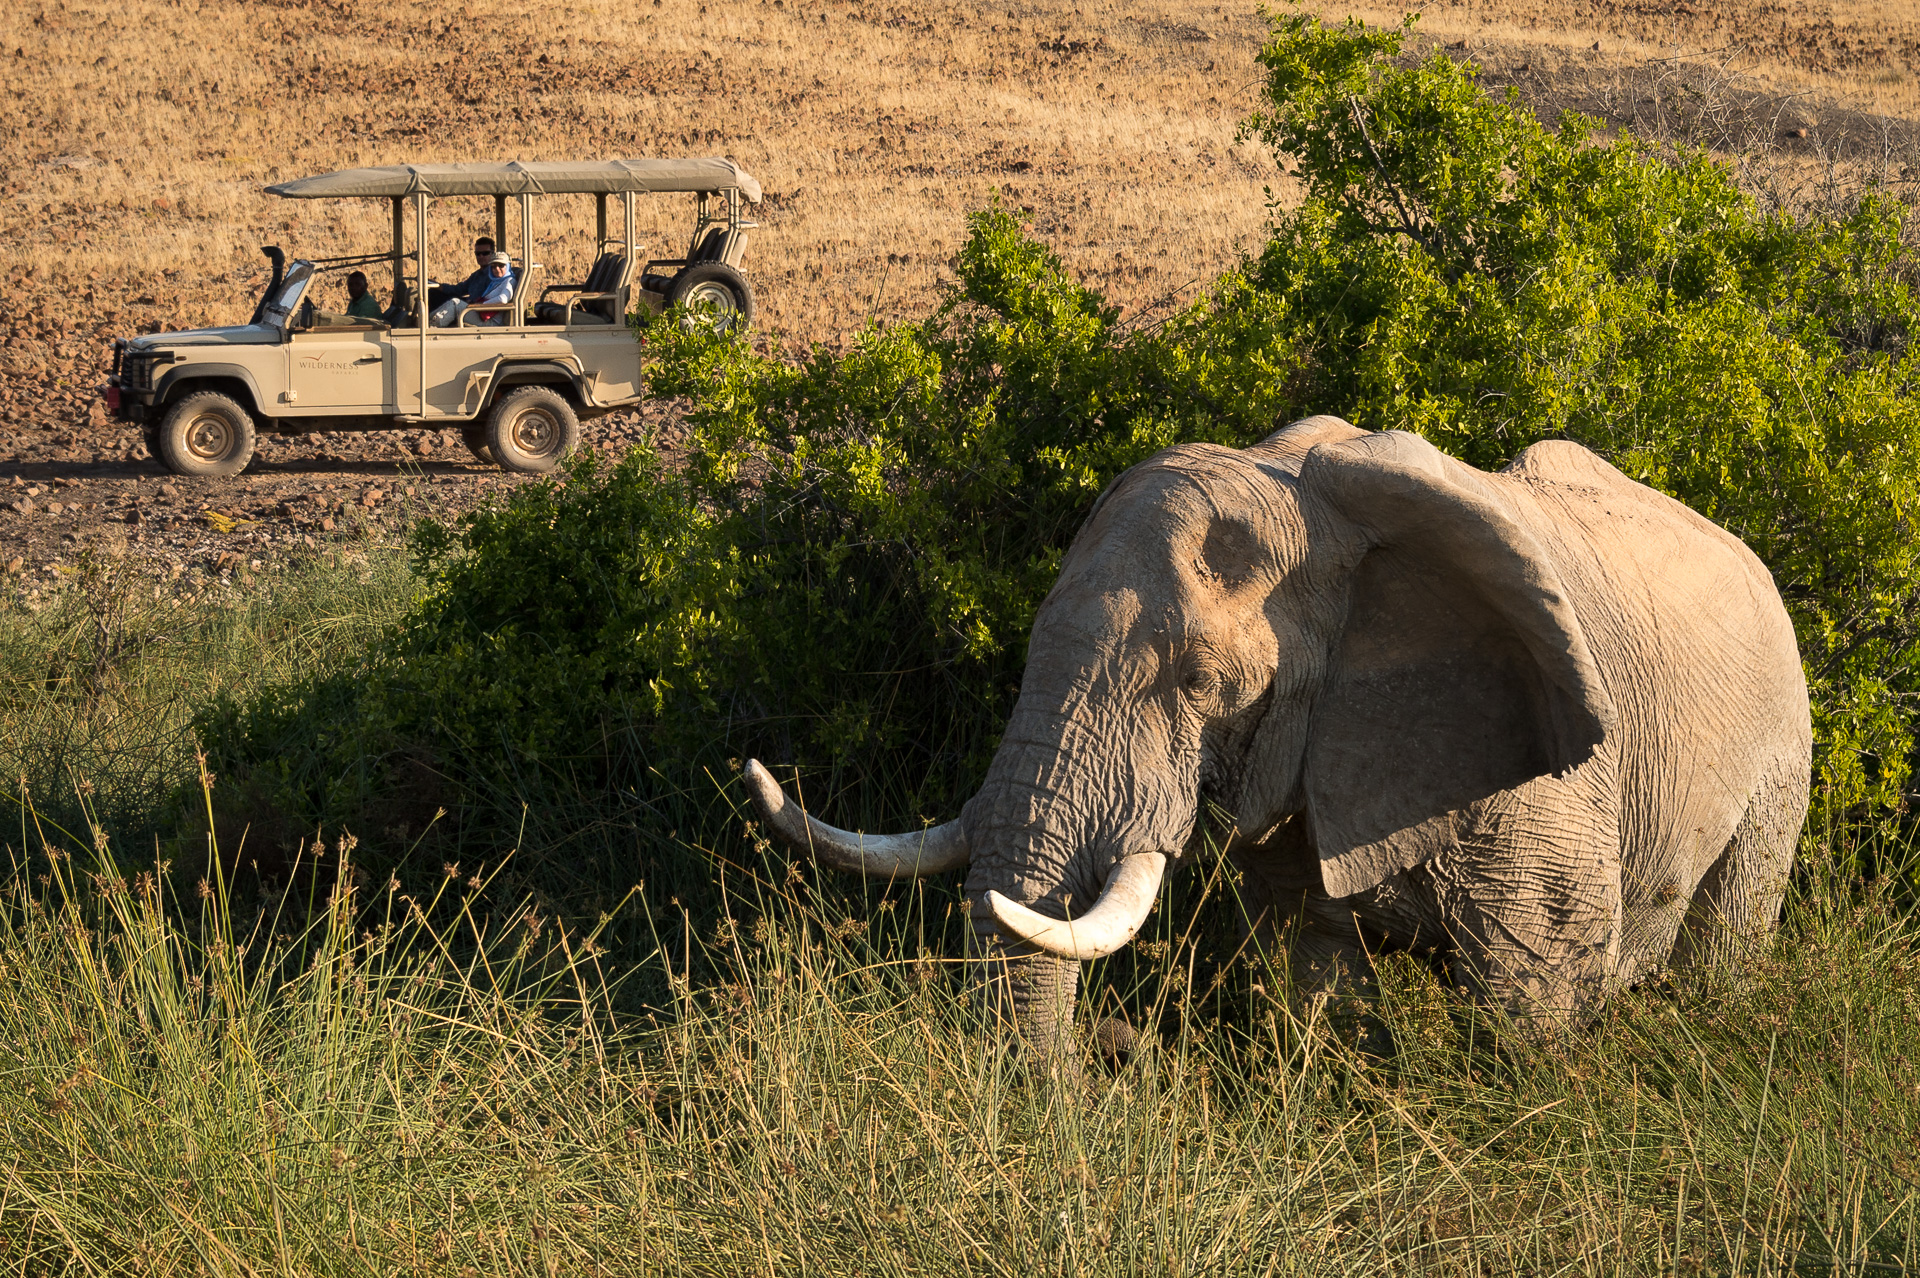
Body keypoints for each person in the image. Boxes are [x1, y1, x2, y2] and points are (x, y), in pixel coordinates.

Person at [430, 251, 516, 327]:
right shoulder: (496, 281)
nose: (497, 269)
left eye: (501, 265)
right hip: (482, 315)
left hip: (491, 322)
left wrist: (481, 304)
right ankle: (428, 321)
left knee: (455, 303)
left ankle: (433, 327)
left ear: (508, 266)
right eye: (493, 266)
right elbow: (460, 289)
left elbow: (503, 299)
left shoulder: (509, 281)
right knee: (453, 301)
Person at [427, 237, 497, 310]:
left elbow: (490, 296)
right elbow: (459, 290)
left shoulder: (495, 274)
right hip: (468, 304)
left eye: (485, 253)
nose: (481, 256)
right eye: (478, 254)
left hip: (477, 309)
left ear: (493, 254)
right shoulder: (476, 275)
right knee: (433, 293)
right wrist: (438, 286)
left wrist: (472, 301)